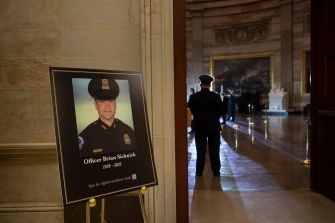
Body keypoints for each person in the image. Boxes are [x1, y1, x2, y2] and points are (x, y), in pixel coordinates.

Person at [78, 78, 136, 156]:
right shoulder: (86, 137)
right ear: (95, 105)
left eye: (110, 101)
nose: (107, 106)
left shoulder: (129, 132)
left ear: (116, 103)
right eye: (102, 101)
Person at [187, 74, 223, 176]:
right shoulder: (216, 96)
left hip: (200, 127)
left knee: (200, 151)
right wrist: (214, 118)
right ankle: (216, 172)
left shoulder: (194, 97)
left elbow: (191, 110)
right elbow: (221, 111)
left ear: (201, 84)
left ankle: (199, 172)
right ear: (210, 85)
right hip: (214, 127)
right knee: (215, 151)